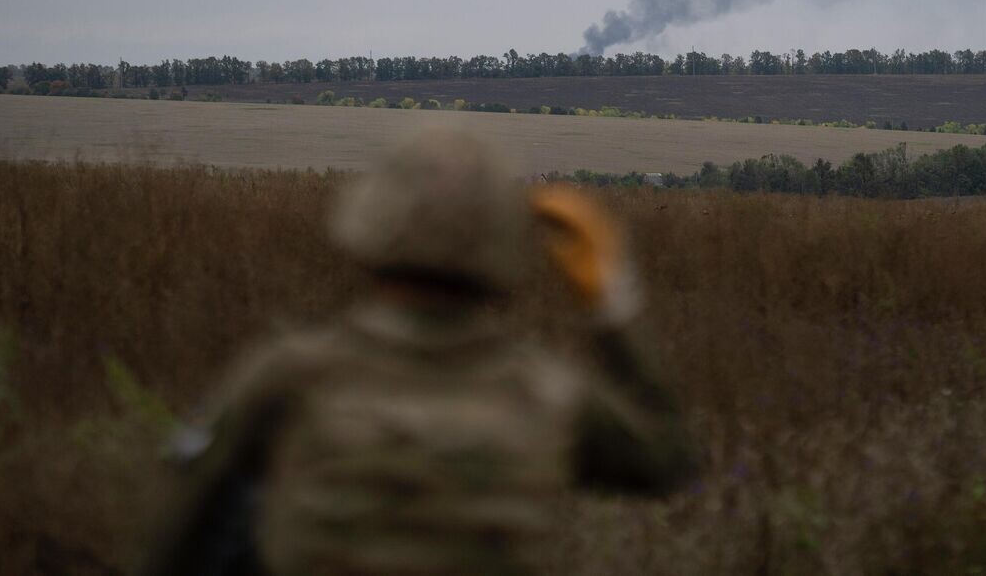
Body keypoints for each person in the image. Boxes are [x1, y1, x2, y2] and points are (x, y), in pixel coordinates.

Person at [140, 127, 696, 576]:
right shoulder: (551, 393)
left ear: (372, 224)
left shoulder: (293, 374)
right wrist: (610, 303)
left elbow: (173, 531)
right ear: (507, 243)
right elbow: (666, 460)